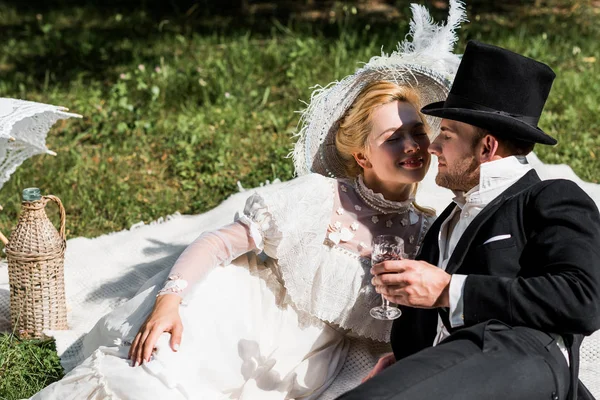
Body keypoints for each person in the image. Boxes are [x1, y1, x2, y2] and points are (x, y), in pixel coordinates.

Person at [31, 3, 466, 398]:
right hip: (248, 307)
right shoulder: (318, 198)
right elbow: (217, 243)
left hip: (310, 358)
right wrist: (170, 301)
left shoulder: (429, 234)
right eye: (394, 138)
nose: (412, 145)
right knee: (161, 369)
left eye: (416, 133)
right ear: (361, 155)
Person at [339, 40, 600, 400]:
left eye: (445, 135)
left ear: (486, 147)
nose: (432, 147)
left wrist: (449, 289)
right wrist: (407, 364)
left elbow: (583, 300)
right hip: (451, 370)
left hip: (521, 356)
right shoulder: (447, 219)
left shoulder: (550, 198)